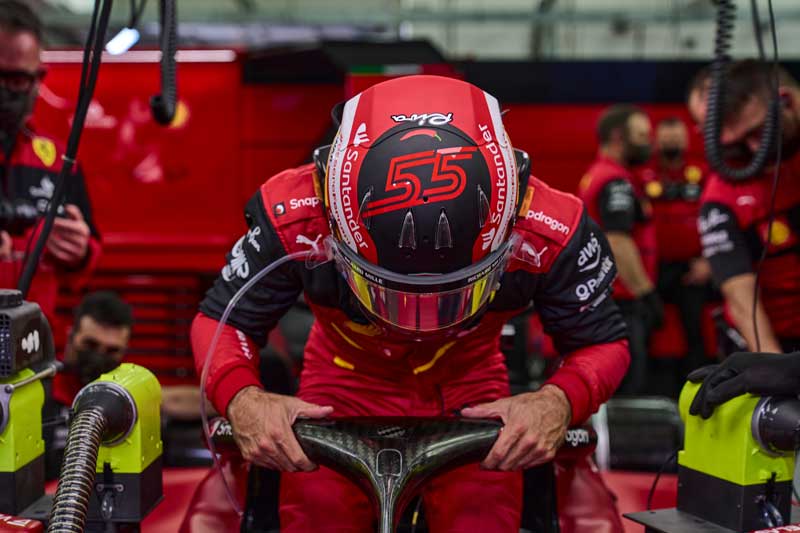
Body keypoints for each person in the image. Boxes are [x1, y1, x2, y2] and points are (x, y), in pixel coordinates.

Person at [192, 75, 630, 531]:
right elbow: (222, 322)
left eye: (449, 291)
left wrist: (556, 402)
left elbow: (603, 343)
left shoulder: (551, 229)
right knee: (317, 513)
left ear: (510, 226)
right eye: (391, 289)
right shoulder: (294, 213)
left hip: (472, 388)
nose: (418, 321)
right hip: (342, 386)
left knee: (482, 518)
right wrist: (243, 400)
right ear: (334, 228)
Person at [0, 0, 100, 323]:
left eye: (16, 80)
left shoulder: (57, 161)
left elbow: (89, 256)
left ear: (38, 78)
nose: (4, 90)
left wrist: (81, 252)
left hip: (32, 353)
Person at [696, 59, 800, 355]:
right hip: (774, 344)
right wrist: (776, 374)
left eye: (759, 132)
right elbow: (740, 297)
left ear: (787, 101)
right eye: (741, 142)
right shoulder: (724, 191)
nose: (755, 149)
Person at [578, 104, 662, 395]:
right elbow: (618, 240)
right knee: (629, 385)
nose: (648, 142)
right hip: (622, 302)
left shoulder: (600, 174)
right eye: (641, 135)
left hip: (608, 297)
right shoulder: (614, 181)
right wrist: (646, 293)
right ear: (618, 136)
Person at [641, 117, 712, 383]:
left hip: (692, 267)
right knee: (643, 322)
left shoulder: (702, 173)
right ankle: (643, 390)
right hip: (652, 269)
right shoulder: (643, 174)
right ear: (656, 141)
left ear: (686, 139)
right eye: (666, 137)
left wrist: (708, 261)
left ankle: (697, 383)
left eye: (677, 136)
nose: (672, 141)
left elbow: (716, 217)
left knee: (694, 327)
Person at [45, 290, 132, 479]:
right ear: (71, 335)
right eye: (90, 345)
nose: (98, 357)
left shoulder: (128, 394)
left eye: (111, 350)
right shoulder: (39, 387)